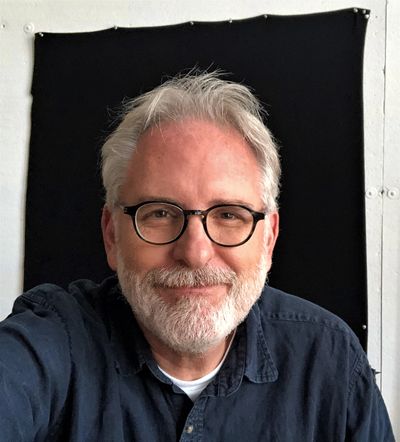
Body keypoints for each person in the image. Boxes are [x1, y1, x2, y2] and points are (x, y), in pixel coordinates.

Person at [0, 72, 394, 441]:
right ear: (111, 236)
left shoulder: (330, 362)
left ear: (268, 238)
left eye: (229, 215)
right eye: (159, 213)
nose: (195, 253)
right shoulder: (54, 342)